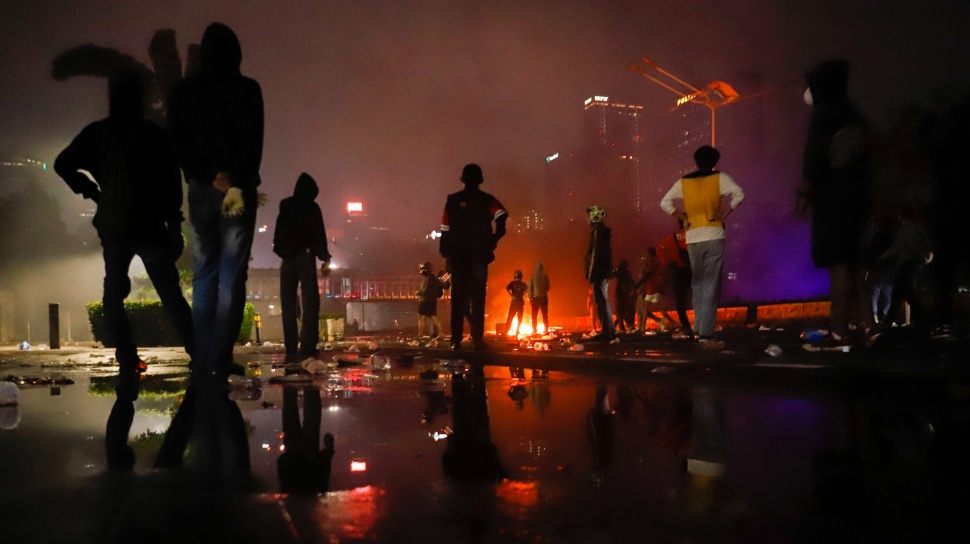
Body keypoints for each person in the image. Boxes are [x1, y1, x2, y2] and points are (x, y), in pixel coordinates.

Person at [54, 68, 193, 395]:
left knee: (113, 292)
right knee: (170, 292)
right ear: (141, 99)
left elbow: (63, 164)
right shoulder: (154, 135)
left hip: (115, 226)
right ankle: (198, 353)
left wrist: (92, 191)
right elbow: (172, 186)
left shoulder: (98, 133)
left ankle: (127, 357)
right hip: (150, 226)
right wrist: (174, 227)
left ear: (111, 98)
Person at [168, 22, 264, 377]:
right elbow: (253, 143)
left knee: (204, 274)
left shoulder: (182, 93)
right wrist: (231, 178)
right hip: (236, 190)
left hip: (200, 190)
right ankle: (220, 357)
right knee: (231, 275)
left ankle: (203, 354)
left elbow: (177, 142)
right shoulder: (247, 90)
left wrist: (206, 175)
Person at [795, 59, 875, 350]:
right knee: (854, 264)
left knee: (839, 264)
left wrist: (803, 194)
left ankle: (839, 333)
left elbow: (814, 156)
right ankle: (870, 326)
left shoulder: (824, 114)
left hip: (833, 197)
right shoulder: (853, 113)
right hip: (859, 197)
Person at [660, 145, 745, 343]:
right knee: (711, 284)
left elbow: (665, 202)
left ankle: (698, 327)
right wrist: (725, 213)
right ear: (714, 162)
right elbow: (739, 194)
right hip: (714, 234)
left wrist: (682, 217)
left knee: (697, 283)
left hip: (693, 237)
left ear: (696, 161)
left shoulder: (684, 182)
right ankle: (706, 331)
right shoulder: (719, 178)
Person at [439, 164, 508, 350]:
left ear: (463, 179)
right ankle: (477, 338)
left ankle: (456, 340)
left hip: (458, 256)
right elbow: (501, 216)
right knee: (478, 297)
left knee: (458, 298)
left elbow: (445, 229)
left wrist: (446, 255)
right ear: (480, 179)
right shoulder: (487, 200)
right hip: (479, 255)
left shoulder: (452, 201)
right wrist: (495, 238)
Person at [273, 172, 331, 361]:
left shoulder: (285, 204)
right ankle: (307, 345)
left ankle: (290, 345)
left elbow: (279, 230)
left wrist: (283, 252)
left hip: (287, 259)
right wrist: (324, 258)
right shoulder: (312, 207)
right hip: (306, 256)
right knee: (310, 301)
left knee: (288, 302)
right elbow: (318, 233)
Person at [876, 204, 932, 330]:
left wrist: (880, 259)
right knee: (902, 292)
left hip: (906, 264)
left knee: (902, 292)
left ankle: (917, 319)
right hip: (916, 264)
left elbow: (895, 248)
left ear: (900, 217)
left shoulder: (905, 230)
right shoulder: (919, 230)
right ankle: (892, 321)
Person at [584, 205, 616, 342]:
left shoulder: (598, 232)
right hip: (601, 272)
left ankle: (607, 332)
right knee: (602, 301)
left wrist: (591, 273)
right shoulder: (601, 232)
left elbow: (595, 254)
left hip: (598, 273)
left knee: (601, 302)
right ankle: (609, 331)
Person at [656, 220, 694, 335]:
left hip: (678, 270)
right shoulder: (694, 235)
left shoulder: (672, 237)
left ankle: (686, 325)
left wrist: (667, 262)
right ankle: (702, 325)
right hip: (693, 270)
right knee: (699, 297)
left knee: (680, 299)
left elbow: (659, 249)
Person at [635, 248, 675, 332]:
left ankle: (668, 322)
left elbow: (647, 275)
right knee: (650, 308)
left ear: (650, 254)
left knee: (649, 308)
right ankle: (644, 326)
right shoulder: (657, 262)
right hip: (653, 287)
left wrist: (636, 287)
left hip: (652, 288)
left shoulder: (652, 262)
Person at [416, 261, 443, 337]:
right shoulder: (433, 277)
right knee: (432, 317)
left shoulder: (429, 278)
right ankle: (441, 332)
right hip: (431, 300)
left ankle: (420, 333)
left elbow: (426, 289)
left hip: (425, 300)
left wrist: (419, 292)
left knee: (421, 316)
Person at [612, 260, 636, 332]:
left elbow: (613, 274)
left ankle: (625, 326)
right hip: (625, 294)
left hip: (620, 294)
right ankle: (623, 326)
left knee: (619, 312)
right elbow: (631, 282)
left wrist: (616, 269)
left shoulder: (620, 272)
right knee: (621, 312)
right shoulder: (627, 273)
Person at [528, 262, 550, 334]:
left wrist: (530, 297)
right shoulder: (545, 276)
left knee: (534, 315)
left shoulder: (532, 277)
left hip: (535, 298)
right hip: (543, 297)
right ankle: (546, 330)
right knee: (545, 315)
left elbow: (530, 288)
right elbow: (547, 287)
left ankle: (534, 331)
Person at [504, 270, 528, 336]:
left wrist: (511, 295)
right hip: (520, 302)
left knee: (510, 317)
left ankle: (506, 331)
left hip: (514, 302)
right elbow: (528, 289)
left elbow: (507, 288)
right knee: (520, 318)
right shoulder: (523, 284)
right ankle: (517, 331)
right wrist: (523, 293)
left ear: (515, 276)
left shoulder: (512, 283)